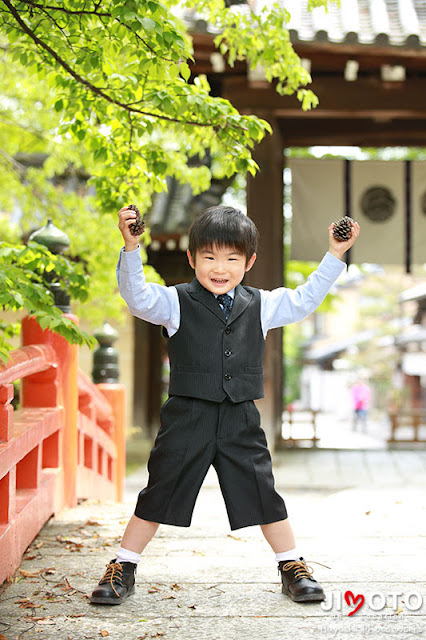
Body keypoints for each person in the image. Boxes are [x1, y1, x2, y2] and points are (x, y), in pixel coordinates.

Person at [90, 205, 359, 606]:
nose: (221, 267)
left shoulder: (262, 304)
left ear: (249, 261)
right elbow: (137, 298)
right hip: (186, 416)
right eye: (210, 257)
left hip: (240, 417)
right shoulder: (174, 301)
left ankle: (291, 566)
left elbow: (304, 300)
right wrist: (131, 248)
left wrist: (335, 254)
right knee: (159, 491)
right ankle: (123, 567)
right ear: (192, 258)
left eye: (232, 258)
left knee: (263, 492)